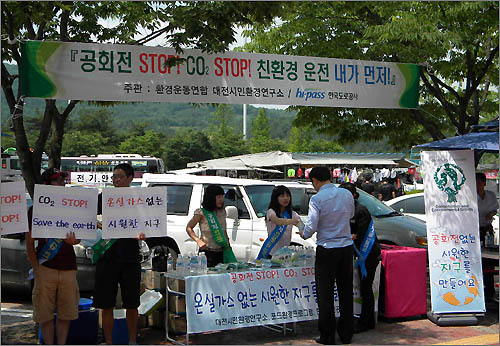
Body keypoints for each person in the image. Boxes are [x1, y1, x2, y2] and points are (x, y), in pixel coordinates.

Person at [299, 166, 355, 345]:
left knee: (326, 295)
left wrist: (301, 230)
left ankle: (327, 336)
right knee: (346, 292)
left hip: (327, 249)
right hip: (346, 248)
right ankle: (346, 334)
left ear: (315, 180)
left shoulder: (317, 199)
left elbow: (310, 228)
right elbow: (351, 215)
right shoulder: (346, 194)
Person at [26, 168, 80, 345]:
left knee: (66, 312)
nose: (61, 183)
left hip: (68, 268)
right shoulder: (35, 209)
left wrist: (73, 241)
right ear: (46, 185)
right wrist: (36, 267)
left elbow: (77, 238)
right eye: (57, 181)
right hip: (45, 267)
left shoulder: (71, 207)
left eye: (62, 180)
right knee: (44, 313)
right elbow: (29, 241)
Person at [94, 163, 145, 345]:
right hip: (107, 256)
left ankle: (132, 341)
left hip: (130, 258)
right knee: (106, 304)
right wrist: (101, 226)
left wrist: (143, 232)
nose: (115, 180)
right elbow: (87, 215)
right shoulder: (104, 197)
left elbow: (149, 222)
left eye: (120, 177)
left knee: (132, 304)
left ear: (131, 178)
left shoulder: (139, 198)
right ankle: (108, 342)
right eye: (114, 177)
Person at [339, 183, 381, 333]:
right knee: (363, 288)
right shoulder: (343, 211)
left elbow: (359, 234)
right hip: (358, 254)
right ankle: (367, 321)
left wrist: (349, 237)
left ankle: (365, 322)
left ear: (355, 196)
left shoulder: (360, 210)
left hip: (368, 254)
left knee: (365, 288)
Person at [186, 185, 236, 267]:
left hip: (221, 251)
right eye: (218, 197)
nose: (221, 200)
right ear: (211, 198)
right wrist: (198, 240)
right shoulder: (201, 213)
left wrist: (227, 244)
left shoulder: (222, 212)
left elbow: (223, 230)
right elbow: (189, 228)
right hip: (207, 252)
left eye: (222, 197)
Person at [257, 185, 301, 260]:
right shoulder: (271, 212)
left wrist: (303, 231)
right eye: (282, 196)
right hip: (271, 253)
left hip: (285, 254)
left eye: (288, 196)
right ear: (276, 198)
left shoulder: (292, 214)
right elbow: (277, 221)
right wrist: (291, 221)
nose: (286, 198)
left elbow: (301, 225)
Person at [476, 172, 499, 299]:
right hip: (474, 230)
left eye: (479, 183)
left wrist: (491, 214)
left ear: (484, 183)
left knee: (488, 259)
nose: (477, 186)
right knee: (478, 259)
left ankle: (489, 290)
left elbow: (495, 209)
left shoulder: (490, 195)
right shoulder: (471, 196)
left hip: (487, 229)